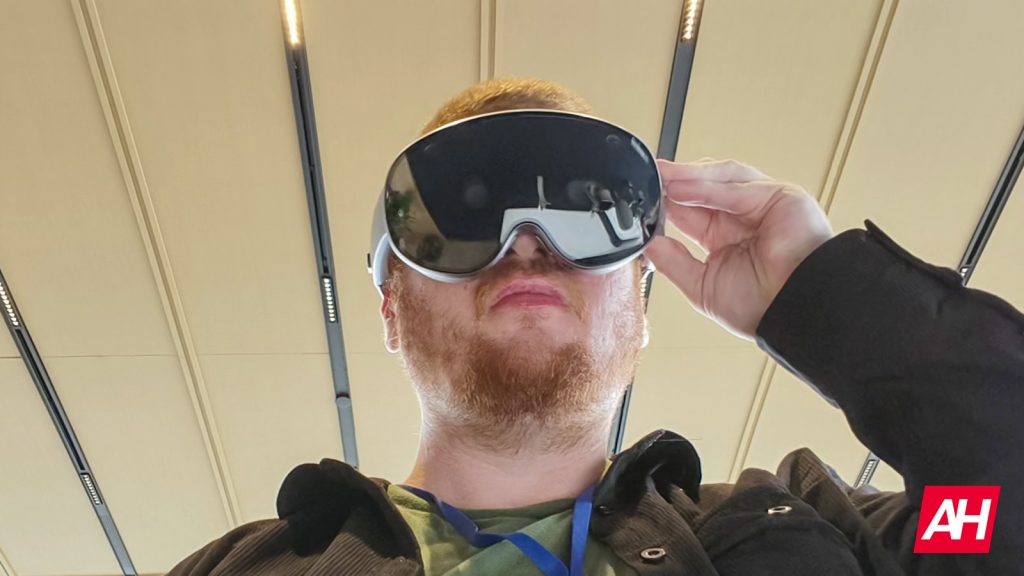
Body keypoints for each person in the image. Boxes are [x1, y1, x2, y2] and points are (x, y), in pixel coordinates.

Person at [167, 78, 1023, 575]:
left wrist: (828, 294)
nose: (527, 246)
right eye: (464, 222)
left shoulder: (810, 530)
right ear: (391, 306)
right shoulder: (248, 569)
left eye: (584, 219)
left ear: (641, 303)